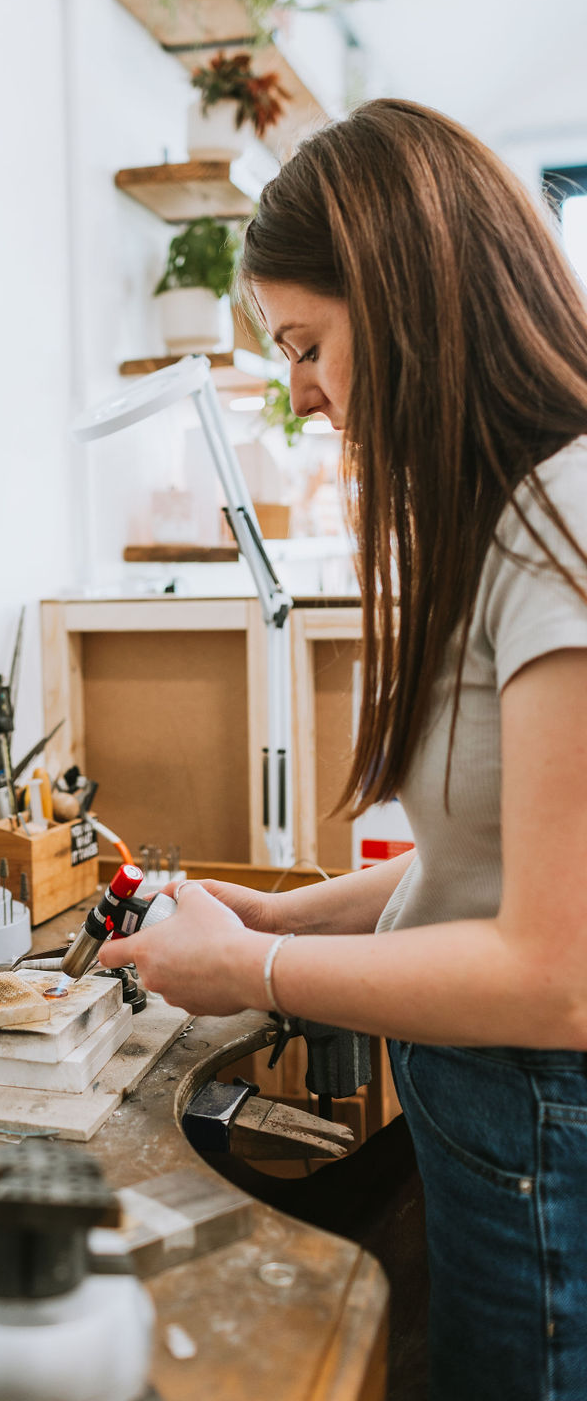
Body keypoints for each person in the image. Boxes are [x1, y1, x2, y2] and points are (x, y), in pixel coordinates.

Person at [98, 98, 587, 1401]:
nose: (302, 394)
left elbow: (554, 973)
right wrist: (277, 920)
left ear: (408, 300)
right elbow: (471, 862)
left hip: (548, 1142)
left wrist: (259, 963)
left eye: (307, 344)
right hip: (498, 1133)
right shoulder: (508, 515)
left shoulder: (566, 515)